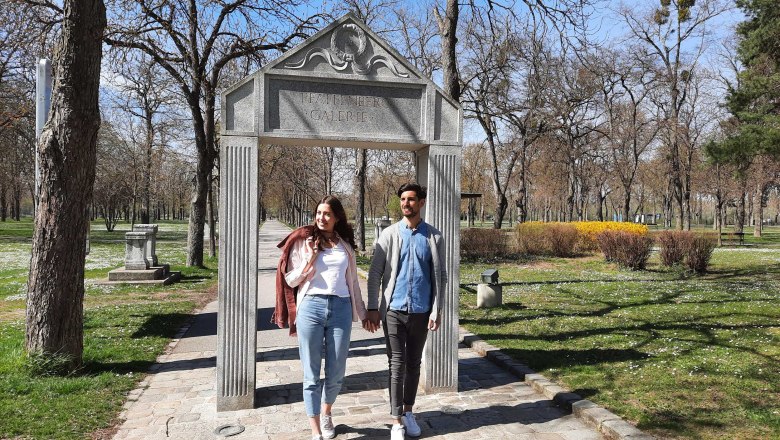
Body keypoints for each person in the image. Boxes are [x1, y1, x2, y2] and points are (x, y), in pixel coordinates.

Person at [274, 196, 374, 440]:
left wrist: (362, 313)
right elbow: (290, 280)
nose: (321, 218)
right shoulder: (304, 241)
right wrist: (310, 260)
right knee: (311, 371)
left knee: (337, 369)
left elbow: (353, 285)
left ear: (337, 217)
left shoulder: (345, 245)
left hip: (340, 307)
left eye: (327, 213)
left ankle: (327, 412)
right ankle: (315, 428)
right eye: (319, 213)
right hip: (311, 307)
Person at [365, 183, 446, 440]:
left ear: (421, 202)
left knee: (414, 364)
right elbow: (375, 273)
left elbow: (439, 276)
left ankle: (409, 412)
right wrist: (372, 307)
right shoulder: (389, 235)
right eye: (403, 199)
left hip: (421, 311)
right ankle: (396, 420)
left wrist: (437, 309)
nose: (406, 203)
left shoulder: (434, 236)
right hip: (394, 311)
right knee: (396, 365)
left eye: (411, 199)